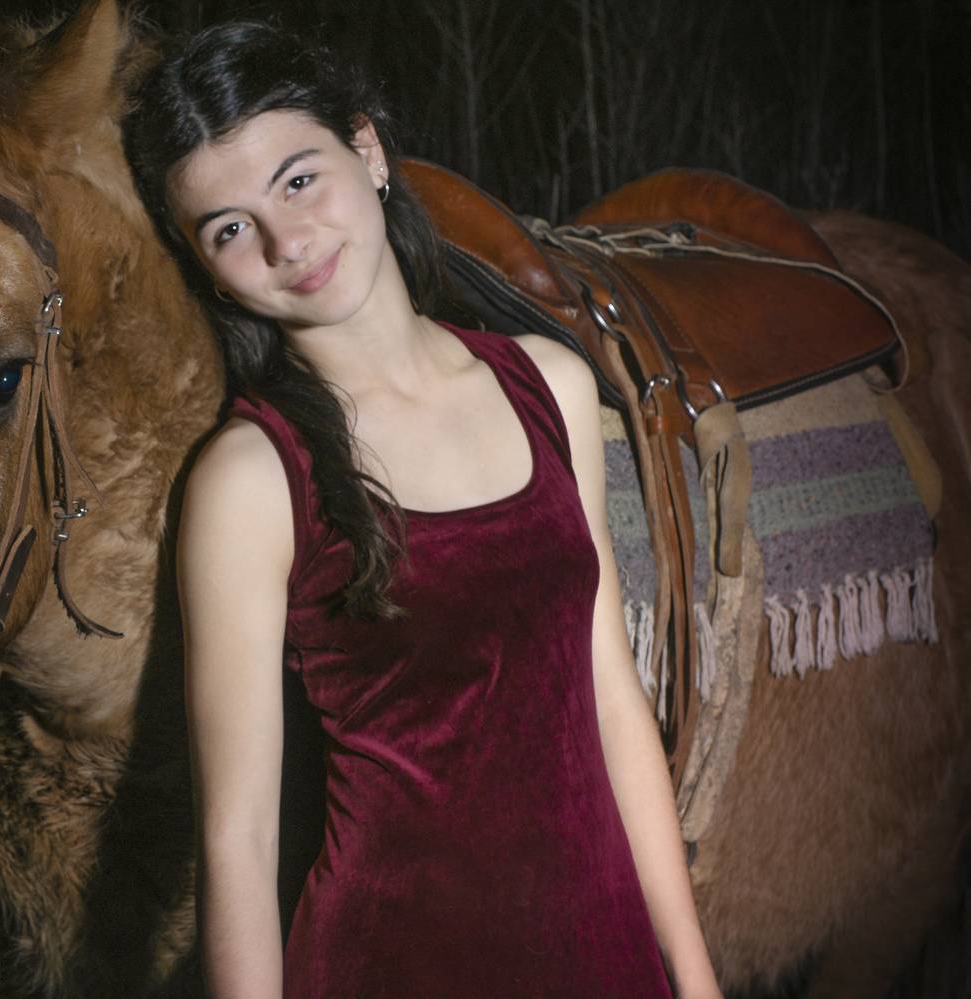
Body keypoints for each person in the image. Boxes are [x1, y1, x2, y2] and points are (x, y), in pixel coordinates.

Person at [126, 20, 722, 999]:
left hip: (601, 945)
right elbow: (239, 838)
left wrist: (693, 977)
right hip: (389, 960)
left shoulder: (552, 384)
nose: (285, 242)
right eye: (229, 229)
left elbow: (613, 702)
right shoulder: (251, 479)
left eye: (298, 179)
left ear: (367, 151)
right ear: (204, 266)